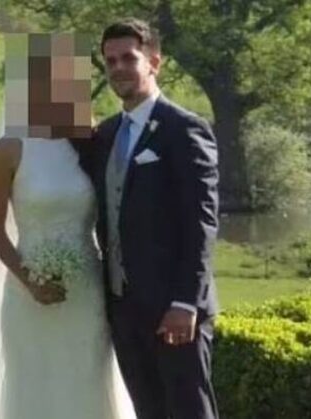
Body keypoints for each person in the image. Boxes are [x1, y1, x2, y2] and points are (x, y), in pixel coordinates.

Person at [0, 32, 134, 419]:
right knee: (33, 386)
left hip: (86, 290)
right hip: (26, 291)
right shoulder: (10, 148)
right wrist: (29, 279)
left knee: (87, 381)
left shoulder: (89, 141)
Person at [89, 18, 220, 419]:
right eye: (110, 61)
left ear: (154, 62)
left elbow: (201, 224)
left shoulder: (185, 129)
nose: (118, 68)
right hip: (122, 309)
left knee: (188, 412)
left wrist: (185, 302)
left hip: (173, 309)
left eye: (128, 58)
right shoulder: (105, 134)